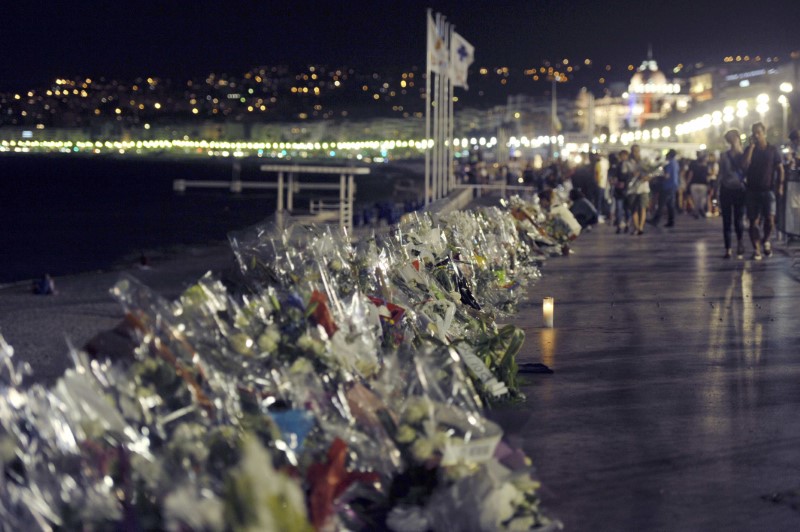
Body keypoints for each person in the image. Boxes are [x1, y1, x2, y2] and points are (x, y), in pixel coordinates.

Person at [741, 122, 785, 260]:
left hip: (768, 190)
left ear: (764, 133)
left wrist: (780, 185)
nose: (755, 135)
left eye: (758, 132)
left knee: (770, 220)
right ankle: (757, 249)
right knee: (753, 222)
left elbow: (780, 169)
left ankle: (766, 240)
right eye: (754, 132)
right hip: (752, 191)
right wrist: (752, 148)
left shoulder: (772, 150)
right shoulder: (750, 149)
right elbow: (744, 166)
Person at [717, 130, 747, 259]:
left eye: (733, 138)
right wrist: (716, 190)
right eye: (730, 139)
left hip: (740, 190)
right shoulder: (724, 156)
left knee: (738, 220)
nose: (732, 141)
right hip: (726, 190)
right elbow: (720, 174)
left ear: (738, 138)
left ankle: (740, 243)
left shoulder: (744, 155)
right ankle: (728, 248)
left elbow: (747, 170)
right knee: (726, 220)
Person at [650, 149, 679, 227]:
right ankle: (671, 221)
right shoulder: (675, 163)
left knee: (661, 204)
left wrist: (658, 177)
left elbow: (667, 175)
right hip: (673, 185)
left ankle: (656, 220)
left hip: (667, 186)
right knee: (670, 204)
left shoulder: (668, 163)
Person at [628, 144, 649, 235]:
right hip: (632, 189)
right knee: (634, 209)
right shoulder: (629, 162)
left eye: (637, 151)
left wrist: (647, 177)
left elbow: (650, 173)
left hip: (643, 188)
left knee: (643, 207)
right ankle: (637, 227)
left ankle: (641, 227)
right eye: (634, 151)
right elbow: (625, 174)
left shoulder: (644, 161)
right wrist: (632, 175)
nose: (636, 153)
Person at [612, 150, 632, 233]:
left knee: (627, 209)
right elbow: (614, 176)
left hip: (627, 190)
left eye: (625, 156)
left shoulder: (629, 165)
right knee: (619, 209)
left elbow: (631, 176)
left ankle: (627, 224)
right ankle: (619, 226)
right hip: (619, 191)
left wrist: (625, 183)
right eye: (622, 156)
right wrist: (615, 182)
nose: (623, 157)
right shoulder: (618, 165)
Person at [686, 151, 710, 218]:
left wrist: (688, 183)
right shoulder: (706, 166)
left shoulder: (693, 164)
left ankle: (696, 212)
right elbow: (707, 176)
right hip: (703, 184)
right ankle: (700, 209)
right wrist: (709, 184)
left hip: (694, 184)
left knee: (696, 200)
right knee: (702, 199)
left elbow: (690, 174)